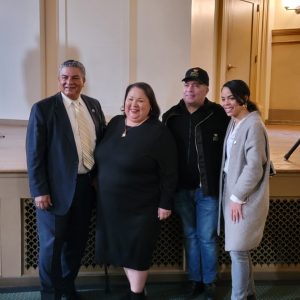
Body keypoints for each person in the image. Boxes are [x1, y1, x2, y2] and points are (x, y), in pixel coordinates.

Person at [26, 60, 106, 300]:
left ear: (84, 80)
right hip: (54, 191)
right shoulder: (43, 108)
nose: (69, 82)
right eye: (64, 77)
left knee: (76, 244)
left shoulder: (93, 105)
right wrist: (40, 191)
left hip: (86, 188)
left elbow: (100, 143)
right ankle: (50, 294)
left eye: (75, 77)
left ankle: (67, 288)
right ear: (58, 79)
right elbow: (34, 155)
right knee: (51, 247)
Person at [95, 82, 177, 300]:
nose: (134, 104)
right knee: (121, 250)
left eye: (141, 100)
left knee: (137, 252)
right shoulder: (114, 123)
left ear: (151, 105)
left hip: (141, 207)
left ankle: (137, 295)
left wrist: (165, 203)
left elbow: (170, 172)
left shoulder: (159, 132)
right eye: (130, 99)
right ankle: (136, 291)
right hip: (110, 205)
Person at [162, 67, 229, 299]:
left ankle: (209, 282)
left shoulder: (219, 114)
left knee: (207, 237)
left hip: (207, 189)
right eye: (187, 84)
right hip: (181, 190)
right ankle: (194, 279)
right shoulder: (171, 116)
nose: (191, 89)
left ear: (206, 89)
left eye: (197, 85)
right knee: (190, 236)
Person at [219, 80, 270, 300]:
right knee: (241, 249)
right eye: (223, 98)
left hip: (243, 197)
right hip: (232, 194)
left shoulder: (253, 124)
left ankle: (238, 297)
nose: (226, 103)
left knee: (238, 250)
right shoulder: (235, 122)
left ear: (244, 98)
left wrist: (238, 197)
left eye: (231, 98)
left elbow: (254, 166)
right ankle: (249, 294)